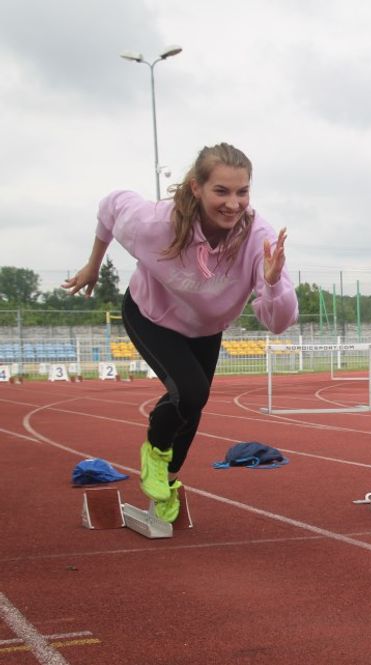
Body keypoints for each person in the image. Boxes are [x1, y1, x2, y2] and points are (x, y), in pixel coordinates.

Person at [63, 143, 298, 522]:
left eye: (242, 192)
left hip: (206, 326)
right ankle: (155, 452)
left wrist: (271, 284)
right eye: (221, 191)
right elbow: (109, 206)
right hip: (152, 315)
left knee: (193, 406)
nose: (233, 204)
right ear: (196, 188)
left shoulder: (259, 238)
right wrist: (93, 265)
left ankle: (169, 480)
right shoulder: (155, 223)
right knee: (191, 391)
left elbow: (279, 322)